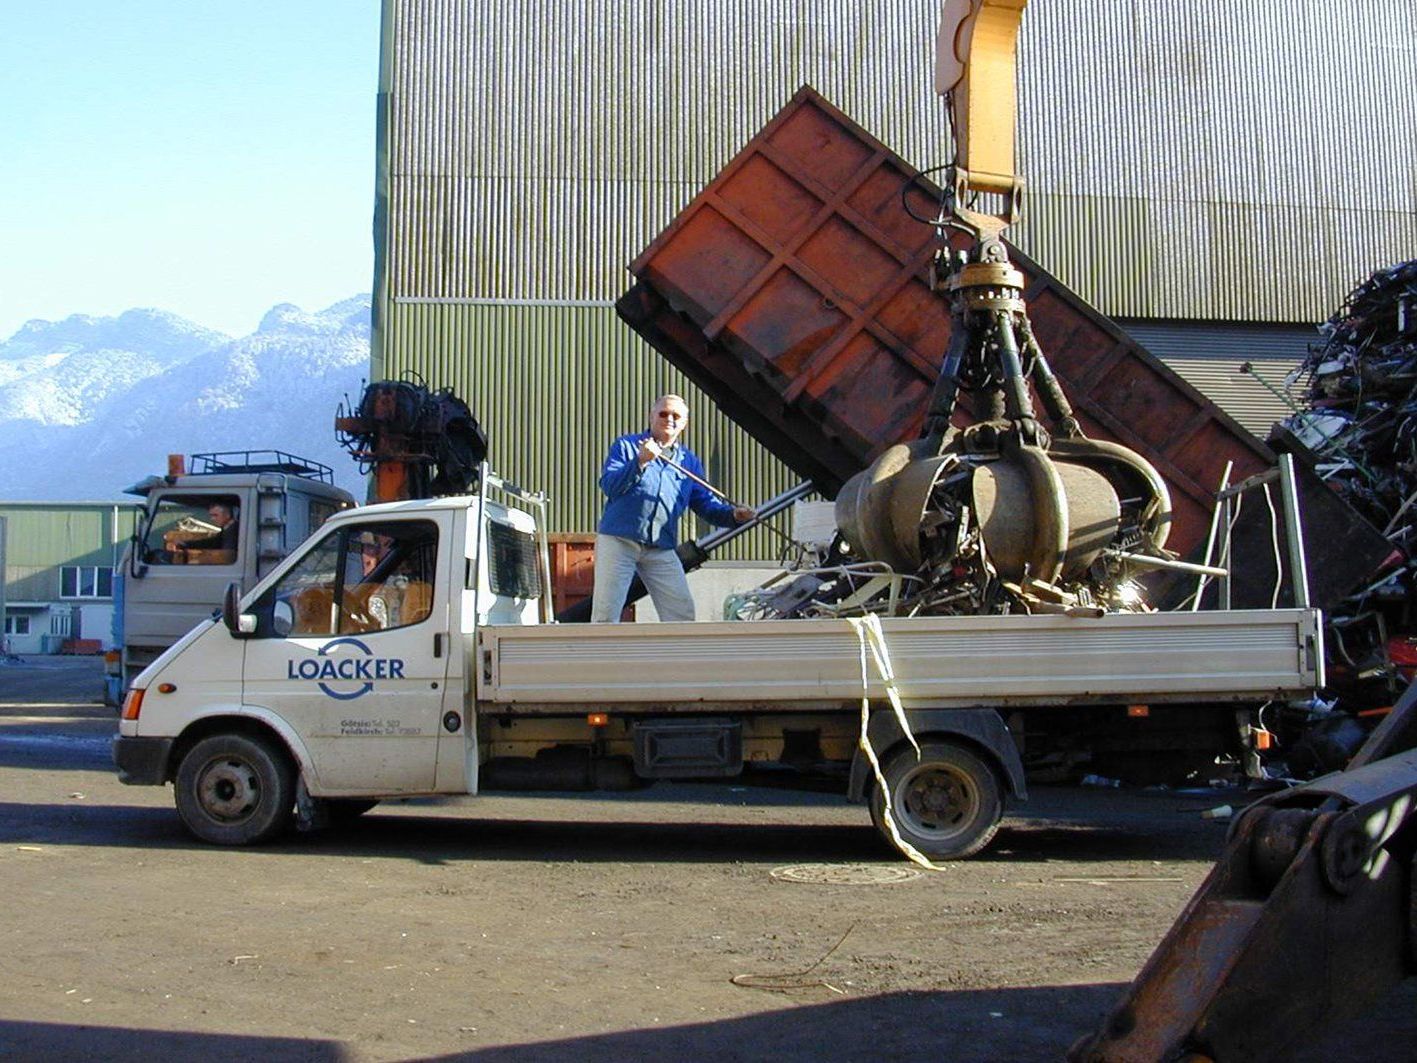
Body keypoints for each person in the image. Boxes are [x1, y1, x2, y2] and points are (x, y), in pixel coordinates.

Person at [591, 394, 754, 623]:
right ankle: (600, 658)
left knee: (682, 614)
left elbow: (705, 504)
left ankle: (679, 658)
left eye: (676, 416)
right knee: (606, 614)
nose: (669, 419)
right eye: (663, 413)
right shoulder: (627, 446)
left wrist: (733, 515)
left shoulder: (689, 462)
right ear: (651, 416)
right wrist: (640, 461)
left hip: (660, 546)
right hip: (619, 540)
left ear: (684, 423)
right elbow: (610, 485)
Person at [173, 502, 239, 562]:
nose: (212, 519)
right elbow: (212, 542)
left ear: (227, 515)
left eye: (215, 515)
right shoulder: (227, 529)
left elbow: (217, 546)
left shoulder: (234, 531)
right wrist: (186, 544)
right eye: (211, 515)